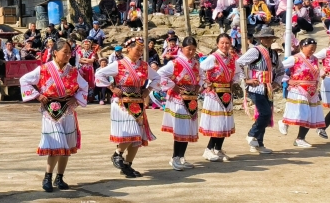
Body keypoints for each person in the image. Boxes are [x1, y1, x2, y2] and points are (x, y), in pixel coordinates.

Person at [20, 39, 88, 192]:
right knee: (56, 144)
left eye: (70, 53)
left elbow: (84, 87)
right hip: (50, 111)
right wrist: (38, 96)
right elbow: (24, 80)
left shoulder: (73, 71)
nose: (68, 55)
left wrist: (75, 99)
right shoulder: (43, 69)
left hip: (67, 110)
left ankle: (60, 177)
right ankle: (48, 176)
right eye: (65, 52)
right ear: (55, 53)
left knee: (67, 146)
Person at [95, 37, 160, 177]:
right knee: (132, 131)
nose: (139, 53)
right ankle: (117, 153)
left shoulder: (143, 65)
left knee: (137, 137)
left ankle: (127, 165)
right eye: (137, 49)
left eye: (141, 50)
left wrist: (148, 90)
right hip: (122, 101)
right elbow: (99, 73)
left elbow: (157, 78)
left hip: (137, 101)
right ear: (128, 49)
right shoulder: (119, 64)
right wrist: (111, 87)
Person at [236, 28, 284, 154]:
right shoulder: (255, 51)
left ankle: (259, 143)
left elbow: (281, 70)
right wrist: (246, 80)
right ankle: (252, 134)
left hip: (268, 88)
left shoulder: (273, 54)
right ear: (260, 39)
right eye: (265, 37)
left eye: (270, 37)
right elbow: (238, 64)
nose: (268, 40)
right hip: (255, 87)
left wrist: (277, 82)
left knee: (266, 115)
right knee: (265, 113)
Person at [157, 37, 202, 171]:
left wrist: (199, 86)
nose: (191, 52)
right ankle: (175, 157)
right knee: (181, 128)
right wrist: (172, 85)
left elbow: (202, 76)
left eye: (194, 49)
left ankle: (181, 157)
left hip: (192, 99)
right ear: (182, 48)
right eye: (189, 49)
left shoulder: (196, 63)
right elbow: (159, 74)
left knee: (187, 129)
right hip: (179, 99)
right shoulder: (175, 63)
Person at [198, 34, 244, 162]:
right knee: (216, 123)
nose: (225, 45)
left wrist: (233, 81)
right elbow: (199, 69)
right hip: (214, 94)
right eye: (222, 43)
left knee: (224, 122)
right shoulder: (213, 58)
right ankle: (208, 149)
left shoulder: (233, 58)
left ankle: (218, 149)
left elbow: (239, 72)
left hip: (227, 93)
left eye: (227, 43)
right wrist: (207, 82)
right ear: (217, 44)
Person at [276, 38, 325, 148]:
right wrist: (287, 80)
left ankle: (300, 138)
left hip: (312, 90)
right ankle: (284, 122)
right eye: (311, 48)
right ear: (303, 47)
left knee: (310, 114)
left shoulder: (315, 59)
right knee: (302, 113)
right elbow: (279, 68)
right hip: (299, 89)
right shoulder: (295, 59)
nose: (313, 51)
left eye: (314, 48)